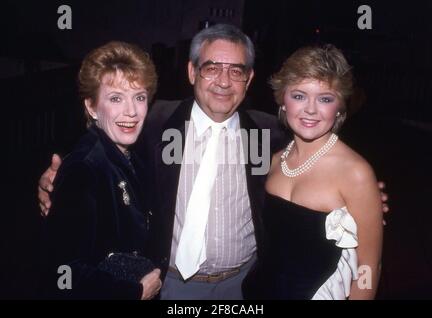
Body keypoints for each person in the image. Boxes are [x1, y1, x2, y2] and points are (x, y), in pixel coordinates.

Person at [38, 25, 388, 300]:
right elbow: (104, 154)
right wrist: (58, 178)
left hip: (245, 284)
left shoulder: (270, 134)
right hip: (167, 284)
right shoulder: (152, 123)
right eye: (211, 68)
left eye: (236, 70)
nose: (223, 81)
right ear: (192, 72)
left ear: (249, 79)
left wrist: (366, 198)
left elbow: (321, 171)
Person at [242, 44, 383, 299]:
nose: (310, 109)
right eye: (299, 96)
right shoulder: (271, 159)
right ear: (282, 101)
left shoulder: (356, 173)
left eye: (325, 99)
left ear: (340, 107)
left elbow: (368, 266)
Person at [37, 41, 162, 299]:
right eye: (116, 98)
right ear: (91, 107)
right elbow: (62, 272)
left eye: (139, 97)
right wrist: (134, 292)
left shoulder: (131, 154)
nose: (131, 111)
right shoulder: (85, 168)